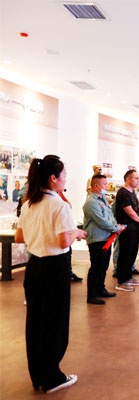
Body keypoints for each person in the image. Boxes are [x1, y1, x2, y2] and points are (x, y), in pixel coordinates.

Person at [15, 155, 87, 393]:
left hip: (34, 266)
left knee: (35, 322)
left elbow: (19, 237)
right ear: (53, 178)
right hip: (54, 267)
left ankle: (38, 375)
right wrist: (77, 233)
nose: (66, 179)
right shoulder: (59, 205)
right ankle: (53, 377)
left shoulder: (29, 204)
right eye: (64, 175)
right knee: (54, 322)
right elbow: (63, 240)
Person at [83, 174, 125, 305]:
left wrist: (116, 226)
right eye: (104, 184)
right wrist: (115, 228)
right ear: (96, 185)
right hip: (97, 239)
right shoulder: (91, 202)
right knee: (96, 267)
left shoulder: (103, 199)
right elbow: (101, 220)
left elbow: (110, 216)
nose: (107, 186)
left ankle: (100, 289)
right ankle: (92, 295)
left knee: (103, 266)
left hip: (106, 237)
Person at [113, 170, 139, 292]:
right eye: (136, 178)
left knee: (132, 253)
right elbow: (129, 211)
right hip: (127, 227)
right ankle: (121, 280)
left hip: (134, 226)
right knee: (125, 253)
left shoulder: (133, 192)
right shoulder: (123, 192)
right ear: (128, 179)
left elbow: (137, 207)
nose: (138, 180)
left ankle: (128, 276)